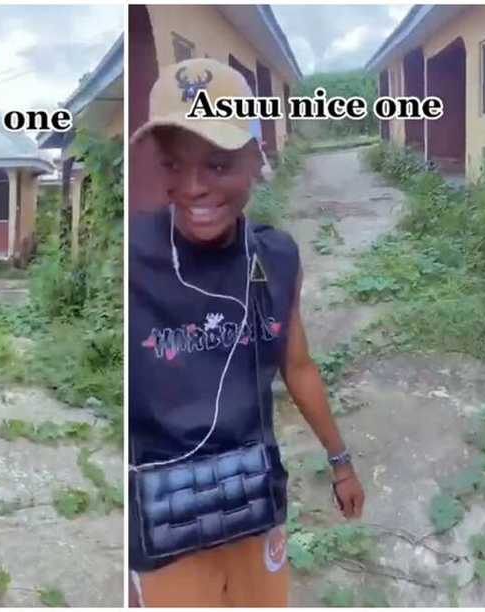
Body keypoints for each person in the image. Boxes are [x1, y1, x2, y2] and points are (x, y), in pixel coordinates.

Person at [128, 58, 365, 607]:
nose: (193, 187)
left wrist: (341, 464)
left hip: (252, 501)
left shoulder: (275, 257)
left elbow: (297, 365)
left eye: (217, 164)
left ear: (256, 159)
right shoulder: (133, 260)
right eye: (173, 164)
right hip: (164, 525)